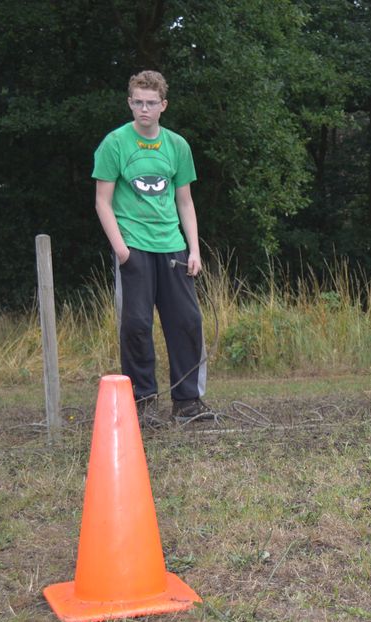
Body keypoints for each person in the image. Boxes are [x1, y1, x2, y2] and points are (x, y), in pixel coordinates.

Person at [92, 70, 213, 426]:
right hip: (134, 246)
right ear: (130, 103)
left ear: (163, 105)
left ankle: (187, 402)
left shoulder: (177, 146)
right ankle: (143, 404)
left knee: (187, 322)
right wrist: (122, 251)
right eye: (138, 102)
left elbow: (185, 202)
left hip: (173, 247)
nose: (144, 109)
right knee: (136, 325)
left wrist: (194, 250)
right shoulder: (114, 144)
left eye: (151, 103)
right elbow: (102, 202)